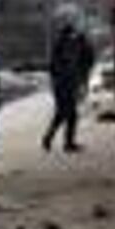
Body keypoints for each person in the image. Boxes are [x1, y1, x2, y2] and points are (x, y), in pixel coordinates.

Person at [43, 11, 95, 152]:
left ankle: (50, 138)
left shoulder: (59, 44)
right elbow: (89, 58)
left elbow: (52, 66)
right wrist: (82, 77)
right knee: (70, 114)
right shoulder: (76, 43)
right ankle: (67, 143)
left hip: (60, 84)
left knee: (62, 113)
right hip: (68, 83)